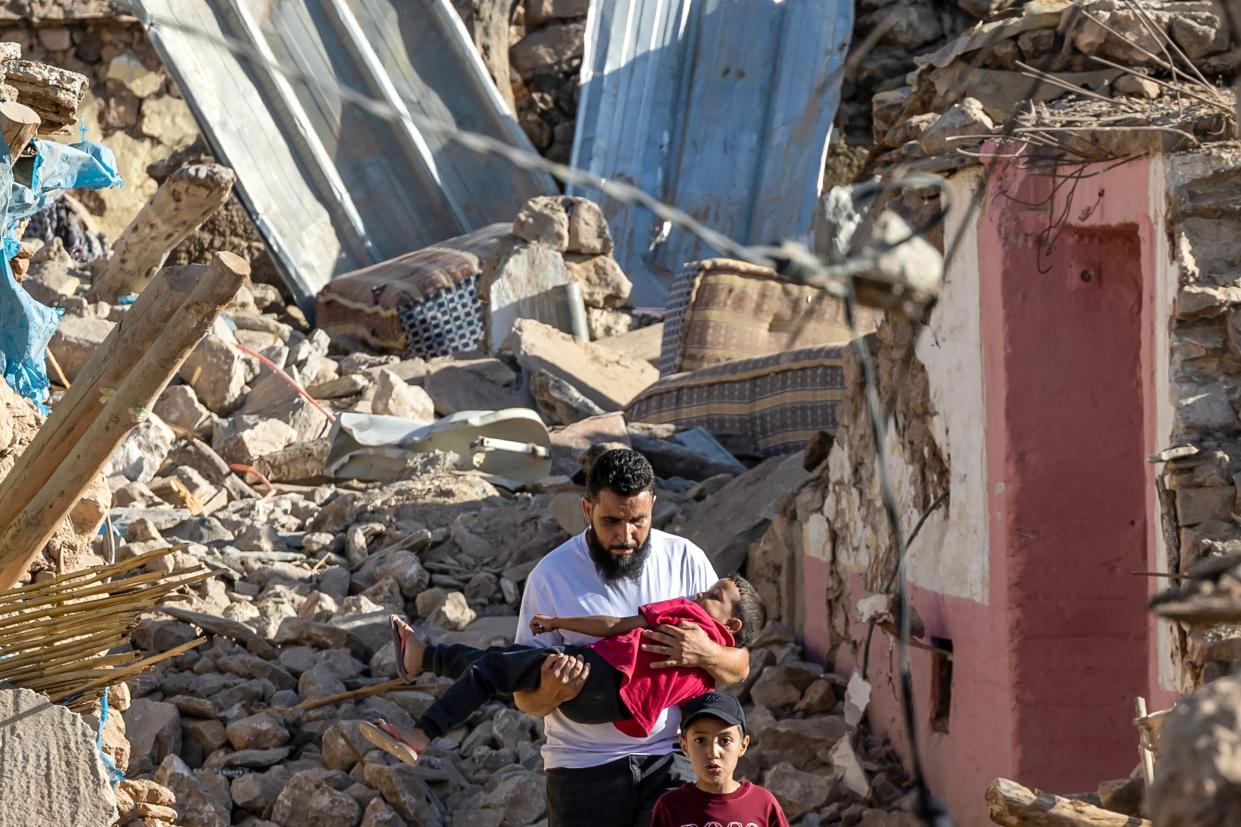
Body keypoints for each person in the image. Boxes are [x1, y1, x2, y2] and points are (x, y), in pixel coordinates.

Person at [519, 448, 750, 827]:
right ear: (586, 509)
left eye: (638, 521)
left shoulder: (686, 561)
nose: (625, 536)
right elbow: (525, 699)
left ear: (653, 507)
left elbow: (739, 665)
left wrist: (703, 652)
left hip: (672, 761)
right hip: (582, 770)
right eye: (610, 521)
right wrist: (550, 692)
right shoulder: (550, 576)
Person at [360, 576, 766, 764]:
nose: (701, 593)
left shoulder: (688, 616)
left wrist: (559, 624)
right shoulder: (714, 670)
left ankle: (422, 732)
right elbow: (735, 673)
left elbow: (615, 625)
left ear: (730, 627)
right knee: (501, 666)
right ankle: (424, 657)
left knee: (494, 669)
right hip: (607, 710)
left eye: (715, 595)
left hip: (601, 676)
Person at [651, 692, 789, 827]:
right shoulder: (670, 806)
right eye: (700, 740)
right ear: (685, 746)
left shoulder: (762, 803)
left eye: (725, 740)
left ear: (743, 745)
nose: (712, 753)